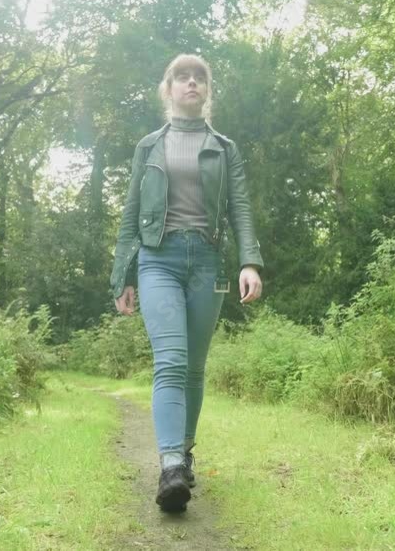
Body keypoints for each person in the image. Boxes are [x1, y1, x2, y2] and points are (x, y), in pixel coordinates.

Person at [109, 53, 265, 513]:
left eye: (200, 77)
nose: (191, 82)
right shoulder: (149, 147)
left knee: (195, 367)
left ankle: (185, 452)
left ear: (207, 90)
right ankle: (171, 465)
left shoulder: (225, 148)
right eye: (182, 77)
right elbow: (131, 214)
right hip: (159, 259)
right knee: (172, 360)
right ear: (169, 88)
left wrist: (249, 262)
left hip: (208, 263)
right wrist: (122, 275)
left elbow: (240, 207)